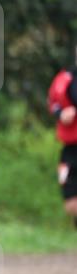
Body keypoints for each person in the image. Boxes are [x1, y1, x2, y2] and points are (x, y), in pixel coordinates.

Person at [47, 51, 77, 227]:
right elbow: (52, 102)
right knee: (70, 203)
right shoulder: (64, 79)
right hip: (70, 149)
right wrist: (61, 113)